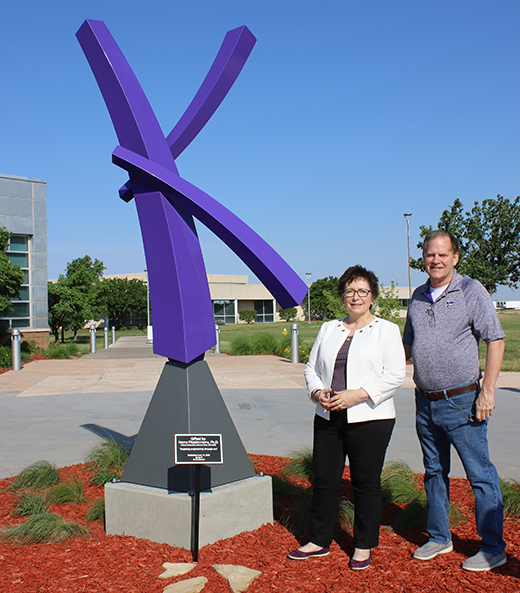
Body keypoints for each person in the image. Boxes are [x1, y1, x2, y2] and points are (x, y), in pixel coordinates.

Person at [288, 265, 406, 569]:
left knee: (365, 483)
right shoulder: (329, 328)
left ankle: (363, 545)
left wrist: (358, 394)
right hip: (327, 416)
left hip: (370, 418)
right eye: (350, 291)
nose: (356, 296)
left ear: (372, 296)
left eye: (362, 291)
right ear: (343, 296)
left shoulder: (386, 330)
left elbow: (395, 375)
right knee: (325, 480)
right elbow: (311, 368)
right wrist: (317, 393)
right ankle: (319, 540)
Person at [403, 230, 506, 572]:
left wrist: (487, 390)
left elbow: (495, 339)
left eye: (443, 255)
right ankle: (439, 536)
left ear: (455, 257)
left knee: (480, 476)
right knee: (434, 473)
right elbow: (407, 346)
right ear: (424, 258)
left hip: (463, 402)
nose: (436, 260)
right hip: (425, 402)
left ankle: (492, 548)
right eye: (431, 255)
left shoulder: (471, 291)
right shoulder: (417, 297)